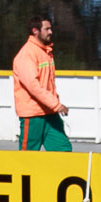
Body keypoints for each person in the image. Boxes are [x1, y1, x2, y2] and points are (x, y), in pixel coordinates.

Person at [12, 16, 71, 152]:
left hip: (50, 112)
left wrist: (54, 104)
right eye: (47, 29)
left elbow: (47, 83)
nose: (51, 32)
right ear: (35, 31)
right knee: (28, 156)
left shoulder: (45, 52)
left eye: (50, 28)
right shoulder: (27, 54)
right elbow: (33, 86)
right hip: (33, 115)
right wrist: (56, 104)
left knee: (63, 149)